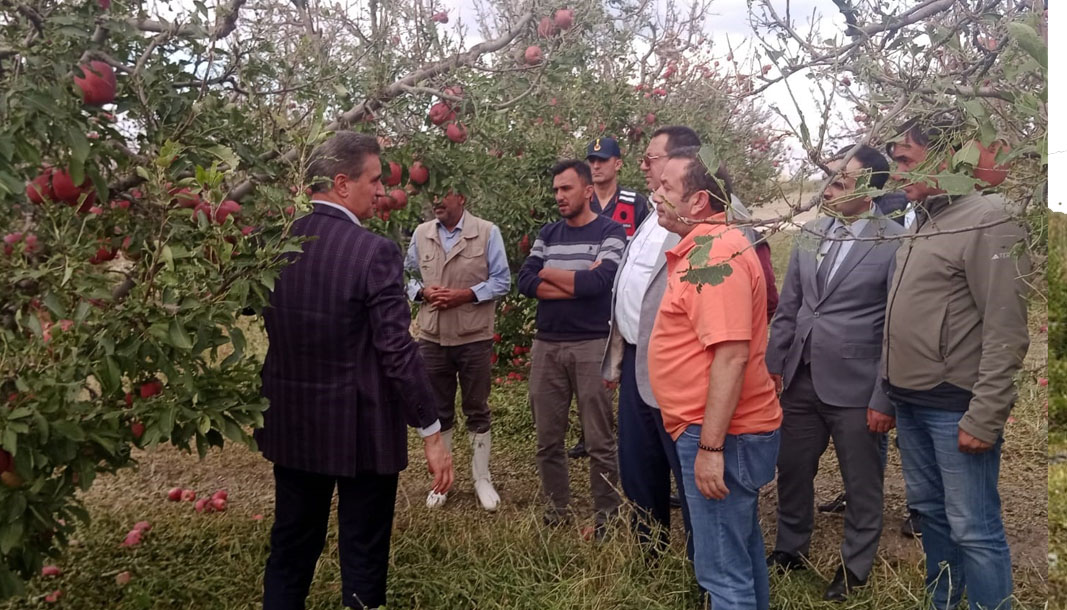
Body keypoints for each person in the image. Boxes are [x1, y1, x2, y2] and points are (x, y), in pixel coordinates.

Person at [256, 131, 453, 610]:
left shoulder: (276, 244)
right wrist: (431, 427)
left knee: (291, 546)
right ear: (342, 184)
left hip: (295, 422)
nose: (381, 190)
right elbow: (395, 349)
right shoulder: (373, 251)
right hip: (360, 428)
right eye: (374, 179)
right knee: (363, 552)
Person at [881, 113, 1030, 610]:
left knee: (975, 528)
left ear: (946, 156)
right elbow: (899, 316)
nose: (896, 173)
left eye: (904, 159)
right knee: (933, 515)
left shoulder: (990, 216)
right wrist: (886, 390)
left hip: (955, 408)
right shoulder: (922, 219)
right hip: (911, 400)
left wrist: (985, 415)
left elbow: (1006, 327)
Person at [765, 144, 905, 601]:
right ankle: (790, 547)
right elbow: (791, 305)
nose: (829, 187)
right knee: (791, 468)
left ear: (869, 187)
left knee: (860, 480)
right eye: (829, 177)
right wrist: (773, 366)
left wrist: (884, 396)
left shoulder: (893, 240)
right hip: (800, 376)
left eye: (841, 181)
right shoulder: (811, 231)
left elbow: (893, 324)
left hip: (857, 384)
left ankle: (854, 566)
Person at [648, 149, 782, 610]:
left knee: (722, 574)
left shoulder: (714, 255)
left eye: (666, 187)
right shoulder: (712, 246)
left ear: (699, 200)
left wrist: (710, 448)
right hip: (720, 429)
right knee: (739, 556)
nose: (655, 193)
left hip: (723, 433)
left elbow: (731, 356)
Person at [601, 125, 698, 559]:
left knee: (688, 466)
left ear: (682, 160)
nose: (644, 165)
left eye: (652, 157)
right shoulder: (651, 213)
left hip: (678, 365)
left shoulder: (706, 218)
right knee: (640, 465)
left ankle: (705, 563)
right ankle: (649, 551)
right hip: (638, 359)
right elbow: (634, 284)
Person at [517, 159, 627, 537]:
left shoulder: (611, 232)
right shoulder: (548, 233)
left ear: (586, 190)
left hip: (591, 343)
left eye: (566, 189)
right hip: (546, 345)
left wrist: (549, 274)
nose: (559, 196)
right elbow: (525, 281)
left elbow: (600, 283)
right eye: (556, 190)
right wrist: (567, 280)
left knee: (599, 438)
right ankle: (557, 509)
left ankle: (606, 516)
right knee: (548, 437)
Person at [404, 190, 511, 512]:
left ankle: (482, 478)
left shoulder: (487, 232)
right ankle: (442, 482)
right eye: (433, 196)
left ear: (461, 197)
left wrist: (466, 295)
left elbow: (502, 280)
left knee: (476, 407)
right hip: (433, 337)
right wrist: (421, 291)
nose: (436, 202)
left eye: (443, 196)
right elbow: (406, 275)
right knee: (438, 409)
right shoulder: (422, 234)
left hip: (473, 336)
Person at [570, 136, 652, 460]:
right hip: (589, 295)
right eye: (591, 160)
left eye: (602, 160)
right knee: (586, 364)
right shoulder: (582, 201)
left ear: (618, 163)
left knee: (625, 364)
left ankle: (629, 432)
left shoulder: (635, 202)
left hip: (623, 296)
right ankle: (588, 433)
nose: (596, 166)